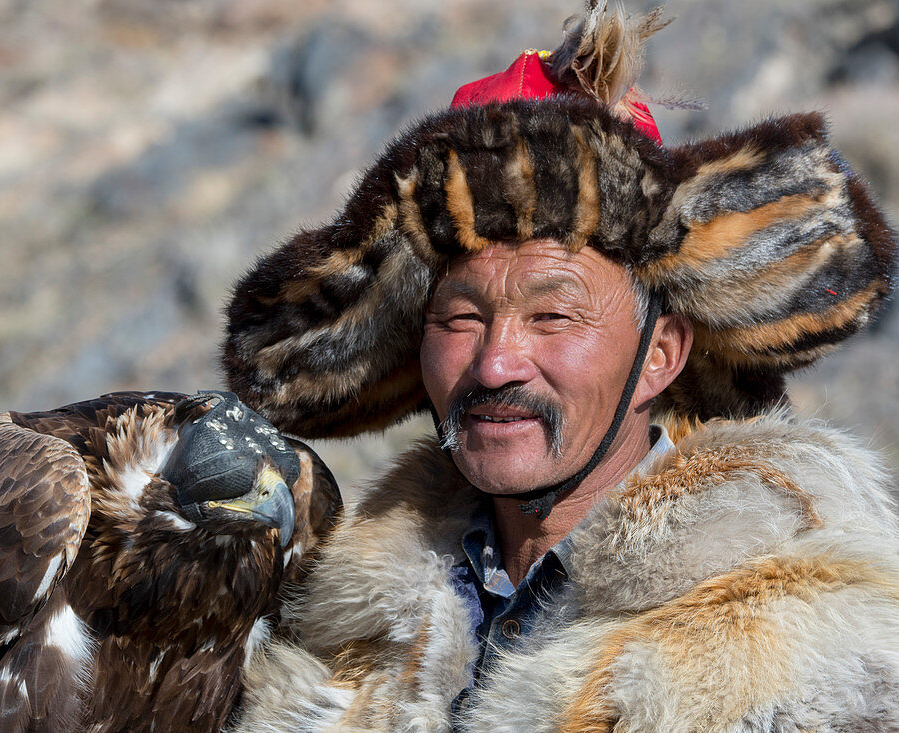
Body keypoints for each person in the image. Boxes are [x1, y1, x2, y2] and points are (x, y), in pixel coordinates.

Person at [221, 3, 899, 730]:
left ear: (661, 355)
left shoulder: (796, 653)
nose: (497, 361)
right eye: (460, 317)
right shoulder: (335, 636)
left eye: (554, 315)